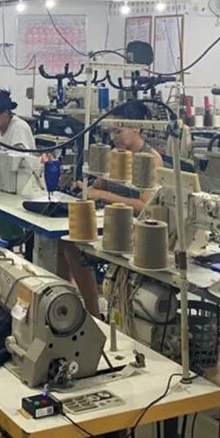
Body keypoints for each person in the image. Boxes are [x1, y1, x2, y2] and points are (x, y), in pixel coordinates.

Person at [61, 101, 158, 316]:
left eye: (118, 131)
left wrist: (102, 195)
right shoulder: (116, 153)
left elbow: (144, 206)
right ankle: (76, 308)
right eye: (111, 132)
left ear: (136, 127)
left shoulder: (151, 159)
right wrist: (84, 187)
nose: (113, 137)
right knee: (65, 243)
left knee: (74, 247)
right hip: (109, 220)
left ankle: (93, 312)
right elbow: (99, 186)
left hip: (133, 229)